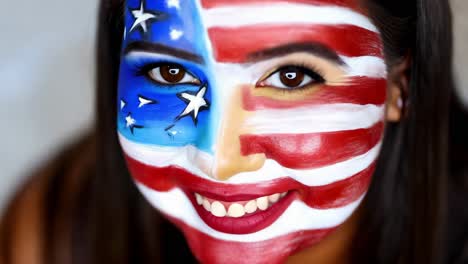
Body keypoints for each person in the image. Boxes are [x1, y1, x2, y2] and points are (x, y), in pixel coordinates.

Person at [1, 0, 467, 263]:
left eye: (291, 78)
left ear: (396, 90)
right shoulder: (61, 229)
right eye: (168, 74)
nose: (219, 160)